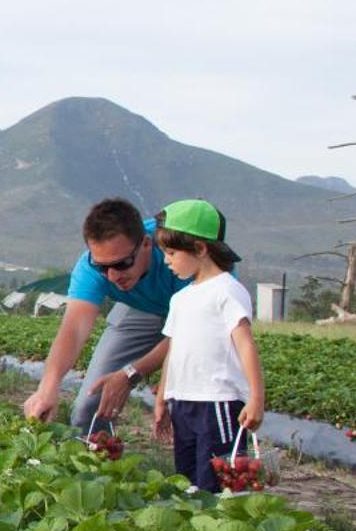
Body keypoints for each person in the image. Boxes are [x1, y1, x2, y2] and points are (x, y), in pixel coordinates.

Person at [20, 197, 194, 433]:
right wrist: (48, 387)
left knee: (191, 410)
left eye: (122, 264)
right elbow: (73, 329)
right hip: (140, 311)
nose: (112, 276)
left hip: (198, 319)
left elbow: (188, 334)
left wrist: (131, 373)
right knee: (89, 407)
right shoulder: (88, 267)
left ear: (146, 243)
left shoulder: (185, 254)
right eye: (103, 267)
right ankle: (98, 463)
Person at [150, 199, 265, 492]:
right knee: (187, 480)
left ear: (200, 249)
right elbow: (174, 352)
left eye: (172, 253)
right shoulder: (180, 298)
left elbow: (246, 345)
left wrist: (256, 398)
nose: (167, 261)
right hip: (183, 402)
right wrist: (163, 397)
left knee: (217, 480)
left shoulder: (228, 290)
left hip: (219, 401)